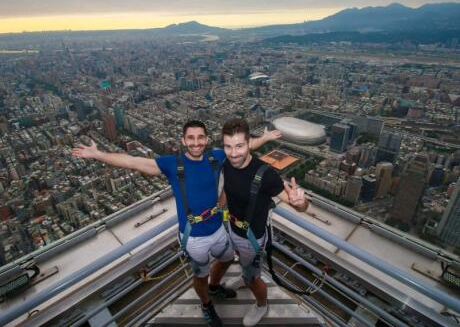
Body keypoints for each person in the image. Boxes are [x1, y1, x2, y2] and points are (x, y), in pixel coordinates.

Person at [72, 120, 281, 327]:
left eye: (200, 137)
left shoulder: (216, 157)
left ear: (207, 140)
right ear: (183, 140)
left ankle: (215, 286)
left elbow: (241, 148)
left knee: (226, 259)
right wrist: (98, 155)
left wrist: (265, 138)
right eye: (190, 138)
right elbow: (133, 161)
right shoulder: (173, 164)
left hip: (218, 230)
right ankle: (206, 304)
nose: (196, 142)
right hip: (194, 237)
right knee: (201, 275)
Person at [220, 118, 309, 327]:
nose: (233, 153)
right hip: (231, 228)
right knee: (244, 263)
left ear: (248, 143)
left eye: (240, 146)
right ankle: (245, 276)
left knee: (254, 278)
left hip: (252, 237)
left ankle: (262, 303)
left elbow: (297, 204)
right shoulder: (228, 163)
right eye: (228, 146)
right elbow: (227, 189)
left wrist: (300, 203)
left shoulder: (266, 175)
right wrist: (219, 207)